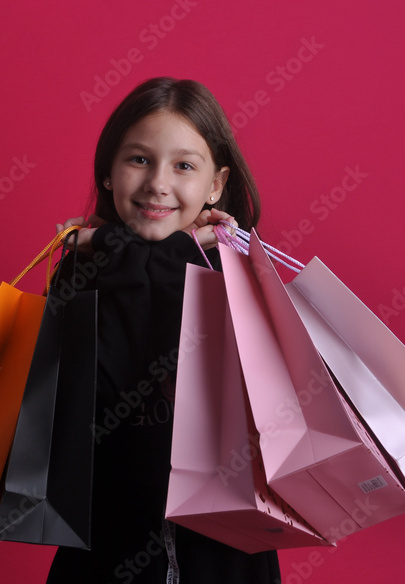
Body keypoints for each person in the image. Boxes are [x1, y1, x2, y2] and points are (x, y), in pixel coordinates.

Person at [45, 77, 280, 583]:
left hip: (224, 547)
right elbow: (112, 381)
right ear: (108, 172)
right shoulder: (82, 271)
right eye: (138, 160)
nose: (157, 183)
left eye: (184, 166)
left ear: (215, 184)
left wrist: (172, 259)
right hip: (109, 538)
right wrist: (139, 257)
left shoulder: (236, 273)